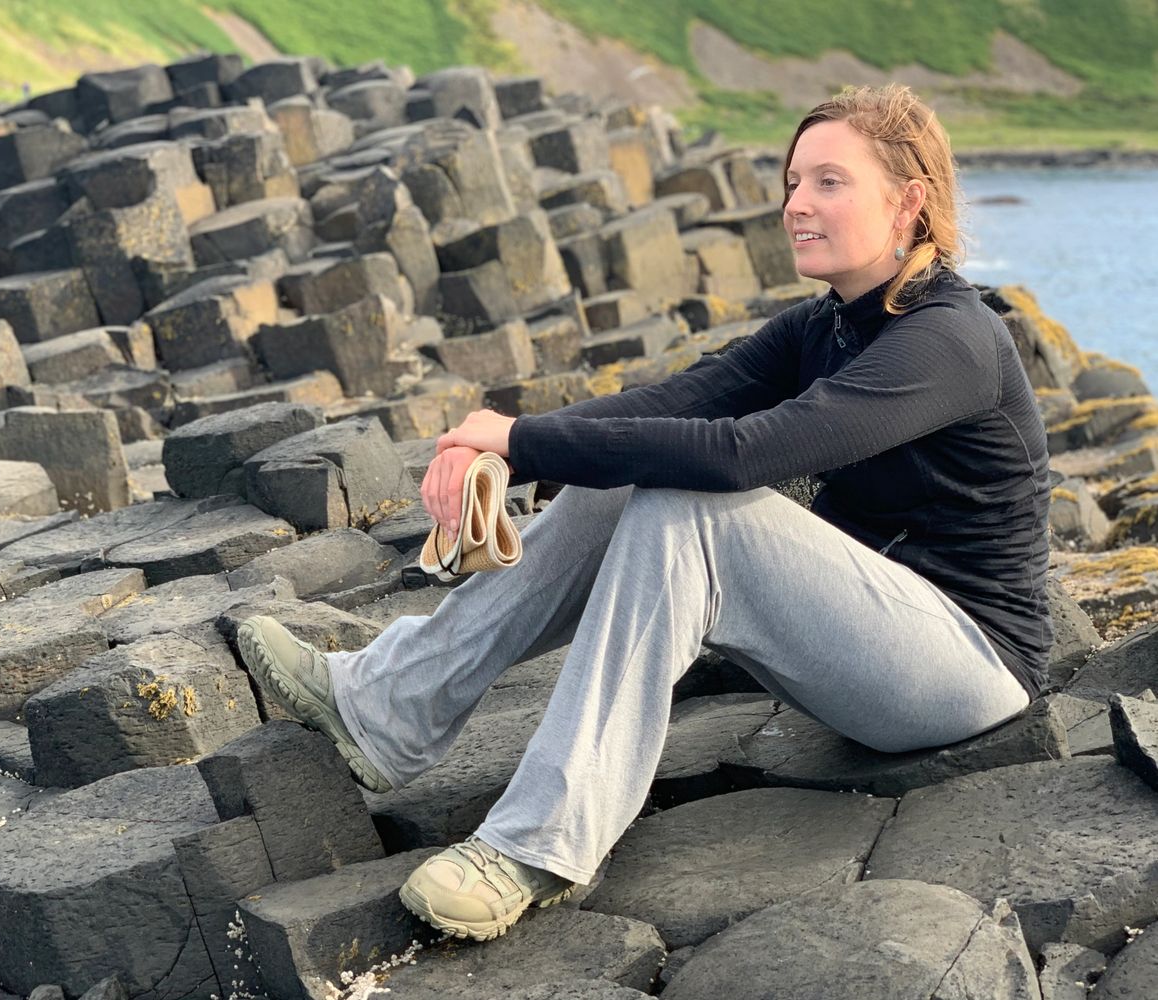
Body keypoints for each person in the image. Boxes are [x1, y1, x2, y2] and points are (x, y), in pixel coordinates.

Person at [236, 83, 1051, 942]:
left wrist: (521, 443)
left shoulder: (950, 339)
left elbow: (747, 453)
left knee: (687, 503)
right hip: (860, 644)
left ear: (909, 201)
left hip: (967, 667)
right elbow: (681, 400)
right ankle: (389, 703)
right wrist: (500, 442)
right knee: (630, 474)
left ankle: (541, 844)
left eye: (828, 182)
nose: (796, 204)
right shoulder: (828, 324)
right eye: (792, 182)